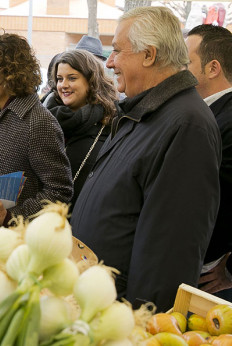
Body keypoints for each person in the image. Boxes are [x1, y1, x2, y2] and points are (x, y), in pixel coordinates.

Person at [71, 7, 221, 311]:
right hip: (99, 302)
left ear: (149, 55)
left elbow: (170, 251)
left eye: (116, 51)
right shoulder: (146, 112)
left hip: (122, 315)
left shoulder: (186, 125)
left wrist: (140, 324)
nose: (109, 62)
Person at [0, 33, 73, 249]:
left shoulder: (38, 122)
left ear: (7, 76)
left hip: (6, 254)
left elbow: (60, 192)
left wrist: (11, 216)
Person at [186, 24, 232, 299]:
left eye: (186, 61)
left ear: (212, 68)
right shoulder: (207, 113)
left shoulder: (226, 120)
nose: (179, 68)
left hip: (212, 278)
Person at [44, 49, 118, 208]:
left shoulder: (111, 122)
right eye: (59, 79)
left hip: (84, 218)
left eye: (72, 78)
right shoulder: (45, 119)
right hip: (42, 218)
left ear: (91, 81)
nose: (63, 85)